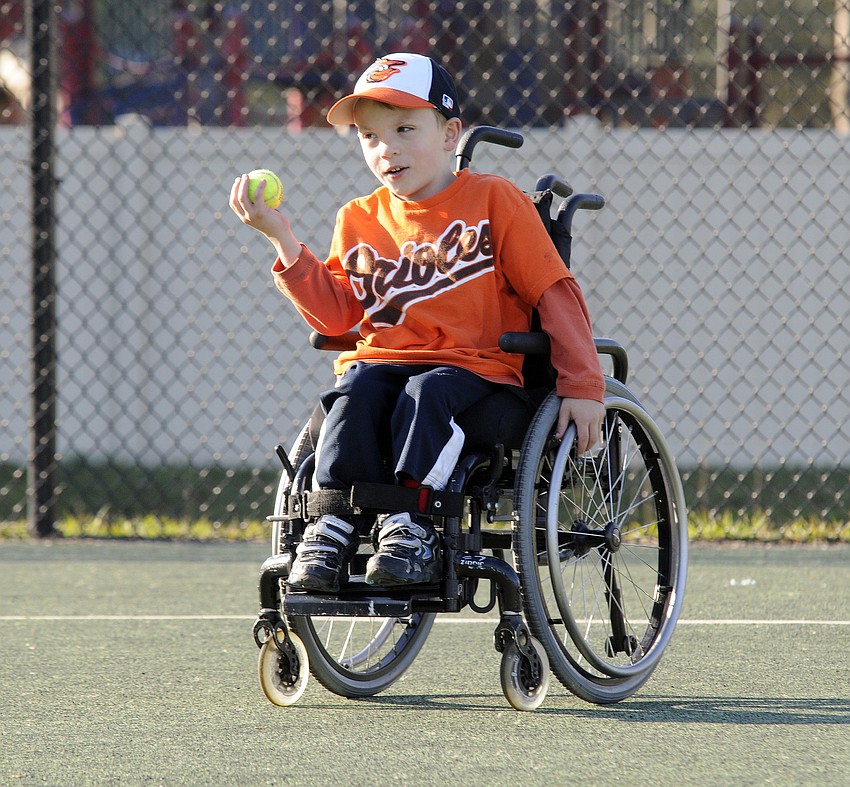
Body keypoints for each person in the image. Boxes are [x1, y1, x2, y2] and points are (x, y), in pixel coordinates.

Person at [229, 53, 605, 593]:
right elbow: (338, 316)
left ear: (450, 133)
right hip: (384, 363)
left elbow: (555, 292)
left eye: (405, 128)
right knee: (353, 390)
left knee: (428, 391)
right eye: (370, 136)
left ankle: (410, 524)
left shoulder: (494, 199)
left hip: (477, 374)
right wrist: (282, 239)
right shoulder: (358, 217)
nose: (387, 149)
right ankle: (333, 525)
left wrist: (583, 384)